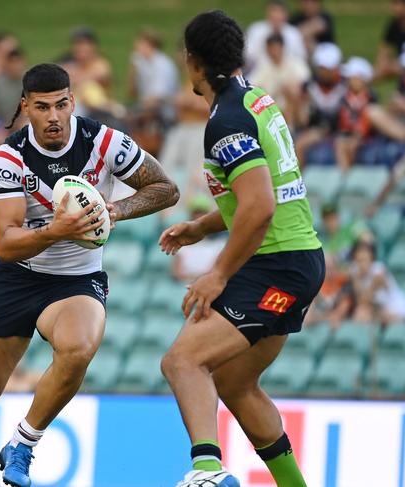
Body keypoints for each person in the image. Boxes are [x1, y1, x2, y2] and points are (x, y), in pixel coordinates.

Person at [0, 63, 178, 487]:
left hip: (75, 280)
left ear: (73, 102)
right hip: (17, 275)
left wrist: (114, 209)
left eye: (62, 105)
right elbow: (5, 243)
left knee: (79, 348)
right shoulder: (10, 157)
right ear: (26, 106)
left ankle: (23, 444)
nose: (54, 116)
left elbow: (165, 188)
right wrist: (56, 230)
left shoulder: (103, 141)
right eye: (43, 107)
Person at [159, 11, 324, 487]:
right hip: (297, 260)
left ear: (192, 61)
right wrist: (203, 226)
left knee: (183, 361)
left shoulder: (226, 120)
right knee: (234, 382)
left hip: (275, 263)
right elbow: (259, 196)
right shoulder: (255, 100)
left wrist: (218, 273)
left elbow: (259, 208)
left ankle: (209, 472)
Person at [335, 56, 405, 170]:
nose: (348, 80)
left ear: (361, 79)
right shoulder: (346, 97)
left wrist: (358, 136)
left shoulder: (370, 97)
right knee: (340, 143)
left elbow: (367, 122)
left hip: (372, 135)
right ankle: (345, 180)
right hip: (354, 134)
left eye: (351, 77)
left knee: (372, 112)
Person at [291, 42, 346, 164]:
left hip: (342, 129)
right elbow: (303, 121)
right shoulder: (309, 87)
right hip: (317, 128)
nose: (324, 72)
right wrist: (300, 102)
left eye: (327, 68)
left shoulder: (346, 85)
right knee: (299, 144)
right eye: (321, 68)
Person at [347, 240, 405, 324]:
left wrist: (356, 278)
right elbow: (360, 300)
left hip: (397, 310)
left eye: (365, 260)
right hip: (379, 310)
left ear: (372, 259)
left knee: (362, 313)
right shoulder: (354, 270)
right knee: (360, 313)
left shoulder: (379, 271)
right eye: (359, 260)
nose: (362, 264)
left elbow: (364, 300)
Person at [249, 33, 310, 121]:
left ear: (282, 47)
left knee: (290, 90)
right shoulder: (263, 67)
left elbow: (305, 84)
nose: (273, 51)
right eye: (270, 48)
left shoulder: (295, 63)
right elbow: (253, 85)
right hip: (272, 110)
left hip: (296, 109)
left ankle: (293, 124)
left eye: (275, 48)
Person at [172, 196, 228, 283]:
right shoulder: (181, 245)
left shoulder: (220, 244)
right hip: (183, 285)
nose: (198, 216)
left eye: (202, 213)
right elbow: (176, 272)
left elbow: (216, 270)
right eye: (196, 212)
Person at [128, 28, 179, 121]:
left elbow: (157, 99)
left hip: (164, 115)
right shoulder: (142, 63)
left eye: (139, 43)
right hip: (147, 109)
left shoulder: (162, 65)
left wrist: (135, 112)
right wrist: (133, 71)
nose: (135, 46)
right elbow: (132, 93)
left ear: (150, 45)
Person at [245, 0, 307, 72]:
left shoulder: (293, 34)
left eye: (280, 12)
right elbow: (249, 56)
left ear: (286, 14)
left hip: (288, 74)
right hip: (261, 73)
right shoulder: (256, 30)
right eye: (273, 11)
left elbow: (301, 58)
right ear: (267, 13)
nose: (276, 15)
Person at [0, 47, 27, 130]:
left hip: (24, 122)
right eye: (12, 62)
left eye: (17, 62)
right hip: (2, 123)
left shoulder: (31, 82)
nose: (15, 66)